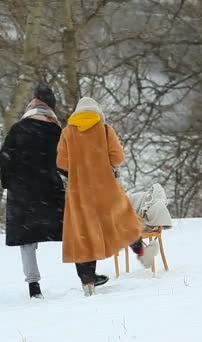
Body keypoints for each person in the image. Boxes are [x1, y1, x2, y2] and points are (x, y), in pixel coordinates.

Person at [57, 97, 143, 296]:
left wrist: (78, 169)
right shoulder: (105, 130)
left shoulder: (67, 132)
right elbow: (118, 158)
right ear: (97, 113)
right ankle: (140, 249)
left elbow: (62, 163)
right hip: (106, 187)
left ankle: (87, 279)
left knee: (83, 232)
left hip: (79, 191)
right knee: (122, 216)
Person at [0, 85, 65, 299]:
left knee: (27, 240)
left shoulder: (18, 128)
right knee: (71, 232)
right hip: (49, 190)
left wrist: (9, 183)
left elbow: (5, 158)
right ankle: (86, 275)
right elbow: (64, 161)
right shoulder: (56, 130)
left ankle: (33, 286)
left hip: (22, 192)